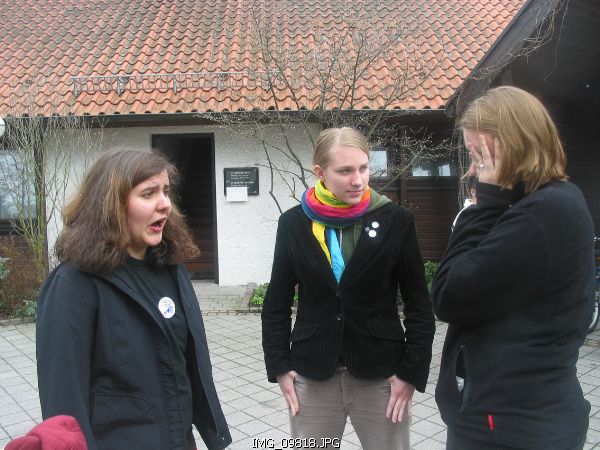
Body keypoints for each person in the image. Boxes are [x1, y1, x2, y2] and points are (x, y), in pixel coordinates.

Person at [432, 86, 594, 450]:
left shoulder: (544, 213)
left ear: (513, 145)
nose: (473, 170)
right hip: (512, 417)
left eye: (480, 156)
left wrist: (482, 205)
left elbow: (449, 296)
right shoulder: (540, 203)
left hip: (512, 429)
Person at [36, 150, 231, 450]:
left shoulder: (170, 268)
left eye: (166, 191)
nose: (165, 204)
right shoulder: (73, 285)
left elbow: (188, 368)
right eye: (148, 193)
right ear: (110, 205)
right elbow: (63, 406)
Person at [262, 127, 435, 450]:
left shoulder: (396, 221)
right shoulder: (293, 224)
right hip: (313, 374)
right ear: (320, 172)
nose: (358, 180)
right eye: (345, 171)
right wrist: (280, 366)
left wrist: (411, 372)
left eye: (364, 168)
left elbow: (419, 304)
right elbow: (276, 302)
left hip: (381, 376)